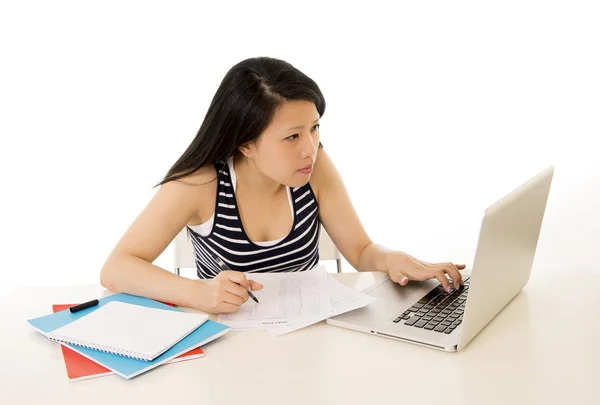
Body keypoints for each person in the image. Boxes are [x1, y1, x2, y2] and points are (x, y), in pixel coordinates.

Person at [100, 56, 465, 314]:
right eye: (292, 136)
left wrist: (393, 259)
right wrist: (199, 293)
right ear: (246, 143)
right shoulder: (202, 182)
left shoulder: (314, 166)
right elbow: (117, 268)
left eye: (315, 127)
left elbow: (361, 250)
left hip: (310, 337)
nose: (310, 148)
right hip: (232, 345)